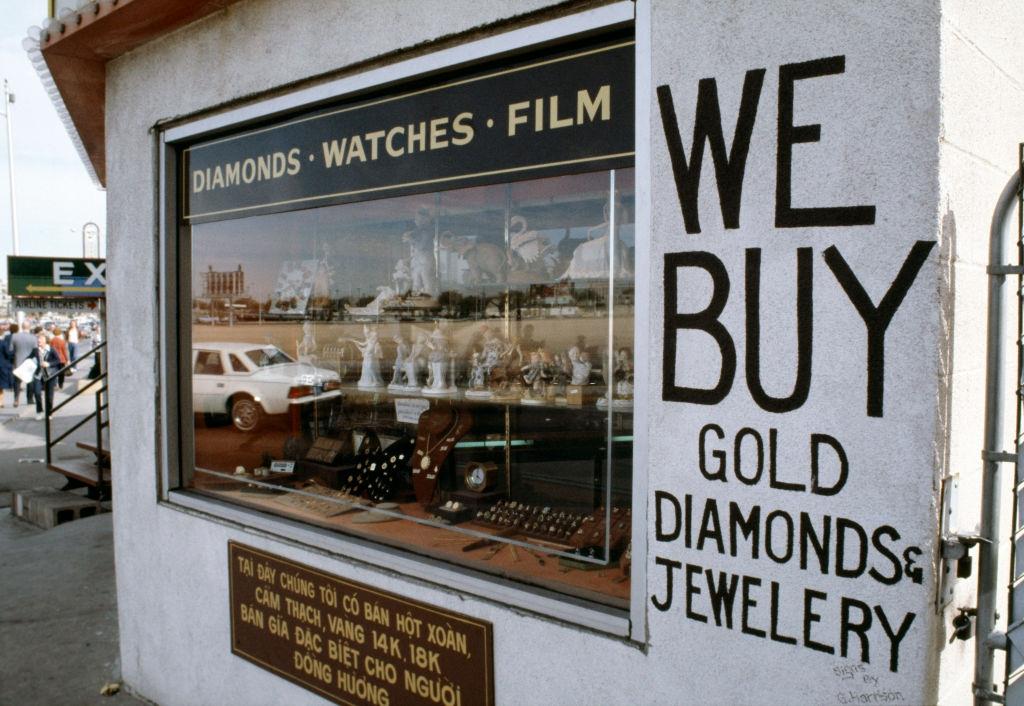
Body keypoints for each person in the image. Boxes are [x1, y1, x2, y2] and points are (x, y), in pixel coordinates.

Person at [28, 333, 61, 421]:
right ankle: (39, 411)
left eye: (40, 340)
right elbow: (28, 359)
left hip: (49, 375)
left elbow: (58, 360)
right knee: (37, 393)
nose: (38, 342)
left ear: (45, 341)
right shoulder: (35, 350)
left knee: (49, 396)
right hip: (38, 375)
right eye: (38, 340)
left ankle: (49, 412)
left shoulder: (51, 349)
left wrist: (49, 364)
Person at [9, 323, 37, 408]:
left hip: (18, 361)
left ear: (22, 327)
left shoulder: (14, 336)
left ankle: (16, 399)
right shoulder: (33, 337)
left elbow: (10, 350)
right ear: (29, 327)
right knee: (30, 381)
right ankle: (30, 399)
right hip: (29, 362)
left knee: (17, 382)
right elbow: (35, 350)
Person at [0, 322, 12, 408]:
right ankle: (0, 402)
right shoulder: (3, 343)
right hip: (1, 365)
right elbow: (8, 354)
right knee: (0, 385)